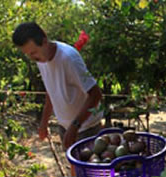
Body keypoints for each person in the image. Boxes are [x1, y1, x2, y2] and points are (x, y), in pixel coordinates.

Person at [12, 22, 103, 151]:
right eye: (28, 54)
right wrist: (44, 123)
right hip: (66, 126)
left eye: (33, 52)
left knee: (93, 170)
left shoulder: (69, 58)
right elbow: (51, 91)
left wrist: (74, 127)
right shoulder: (41, 60)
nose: (32, 58)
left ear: (44, 41)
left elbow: (95, 94)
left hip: (86, 128)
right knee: (73, 169)